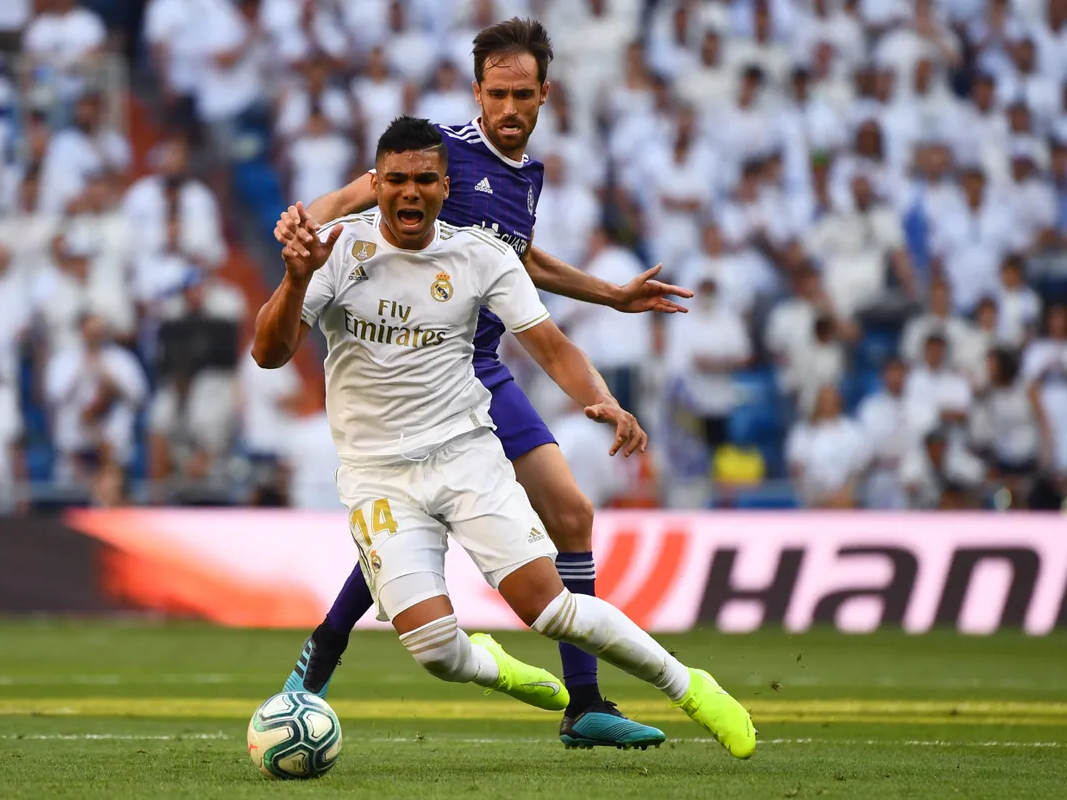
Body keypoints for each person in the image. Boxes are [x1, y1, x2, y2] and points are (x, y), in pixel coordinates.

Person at [258, 116, 755, 760]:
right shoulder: (337, 253)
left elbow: (552, 346)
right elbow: (269, 354)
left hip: (465, 456)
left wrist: (605, 400)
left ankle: (689, 687)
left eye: (425, 181)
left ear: (445, 187)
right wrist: (296, 277)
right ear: (376, 185)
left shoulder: (480, 255)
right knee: (436, 653)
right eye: (397, 180)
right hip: (377, 476)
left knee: (551, 609)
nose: (411, 192)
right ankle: (497, 667)